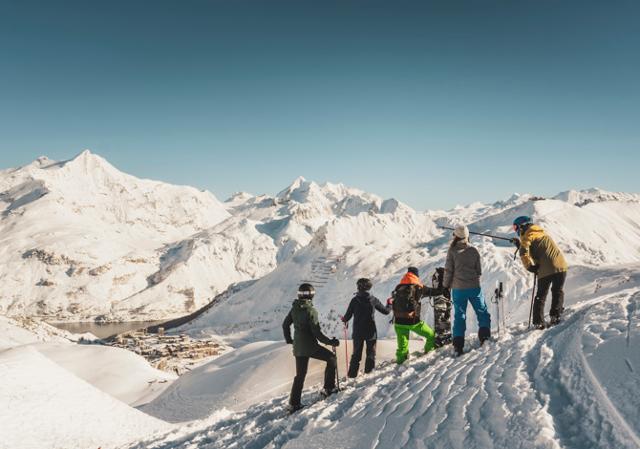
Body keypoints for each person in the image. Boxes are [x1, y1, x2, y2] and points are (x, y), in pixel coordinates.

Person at [282, 283, 340, 413]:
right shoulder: (310, 311)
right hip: (310, 346)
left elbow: (285, 325)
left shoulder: (294, 308)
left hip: (298, 347)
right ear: (312, 295)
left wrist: (289, 340)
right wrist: (331, 342)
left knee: (300, 375)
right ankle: (329, 388)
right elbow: (317, 334)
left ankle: (294, 403)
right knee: (331, 358)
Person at [512, 216, 568, 328]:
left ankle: (538, 322)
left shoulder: (528, 235)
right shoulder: (540, 232)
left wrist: (529, 267)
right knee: (557, 291)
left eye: (515, 227)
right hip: (561, 265)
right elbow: (536, 247)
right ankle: (555, 316)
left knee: (540, 296)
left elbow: (524, 251)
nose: (515, 230)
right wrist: (519, 244)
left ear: (522, 226)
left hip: (545, 268)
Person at [443, 224, 491, 356]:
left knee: (459, 316)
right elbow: (479, 271)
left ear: (456, 236)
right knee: (482, 312)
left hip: (458, 289)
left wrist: (445, 286)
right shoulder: (474, 250)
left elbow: (448, 271)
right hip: (474, 287)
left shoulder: (452, 251)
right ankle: (485, 337)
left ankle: (458, 346)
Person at [341, 278, 391, 378]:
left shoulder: (354, 300)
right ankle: (369, 376)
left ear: (359, 287)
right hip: (371, 332)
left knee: (356, 355)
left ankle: (352, 376)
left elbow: (347, 317)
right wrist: (389, 304)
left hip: (358, 332)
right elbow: (386, 311)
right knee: (371, 354)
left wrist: (344, 319)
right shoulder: (373, 299)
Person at [390, 267, 440, 364]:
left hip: (398, 321)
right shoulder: (418, 287)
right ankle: (429, 354)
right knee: (430, 335)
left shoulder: (399, 287)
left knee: (402, 346)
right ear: (416, 275)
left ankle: (400, 361)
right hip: (412, 322)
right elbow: (437, 292)